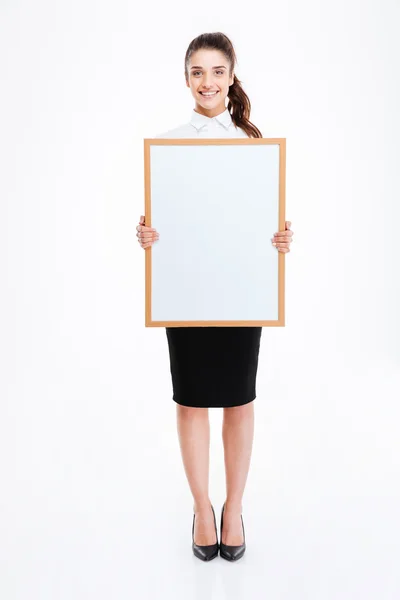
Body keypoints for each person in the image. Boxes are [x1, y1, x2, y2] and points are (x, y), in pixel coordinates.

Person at [137, 32, 294, 561]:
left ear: (232, 76)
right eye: (197, 72)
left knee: (239, 399)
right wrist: (148, 234)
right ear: (186, 79)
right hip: (185, 290)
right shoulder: (167, 144)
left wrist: (279, 238)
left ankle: (234, 507)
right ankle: (202, 507)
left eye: (217, 71)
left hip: (240, 290)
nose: (207, 81)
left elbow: (261, 225)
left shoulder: (253, 146)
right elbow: (165, 225)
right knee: (190, 399)